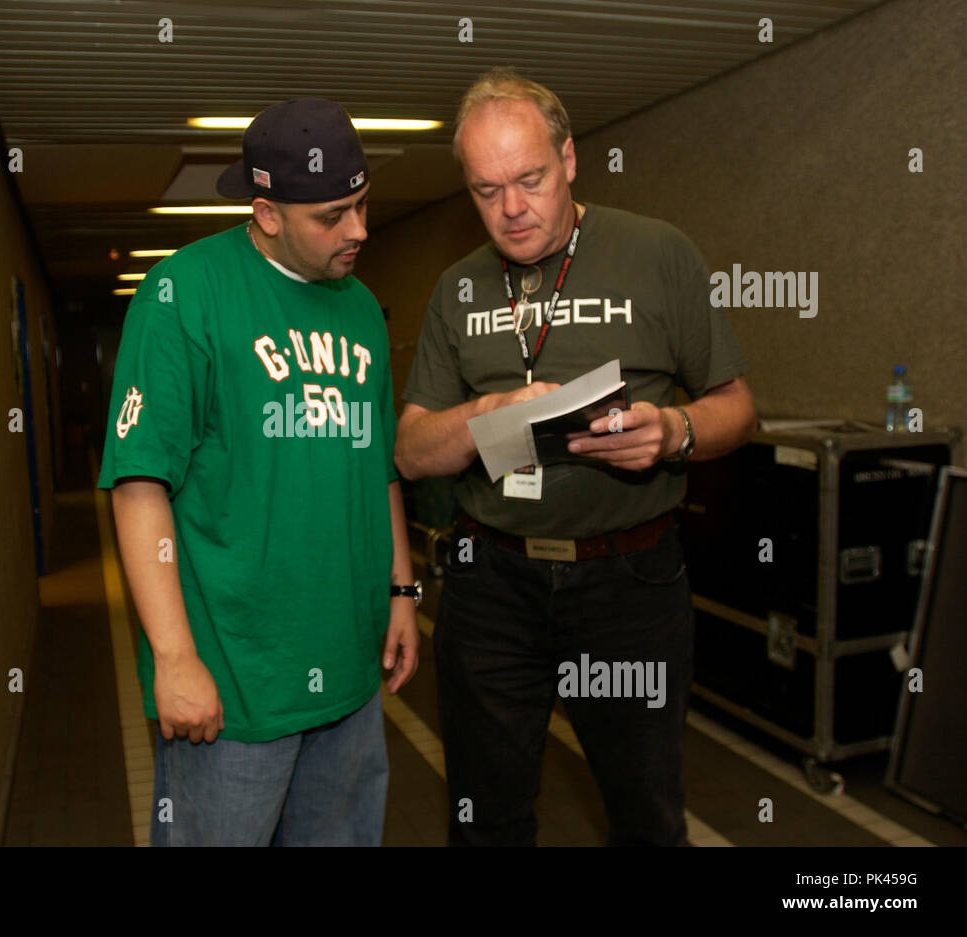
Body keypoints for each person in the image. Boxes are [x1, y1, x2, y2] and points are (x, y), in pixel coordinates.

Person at [396, 68, 757, 846]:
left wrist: (674, 430)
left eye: (528, 179)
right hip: (491, 584)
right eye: (486, 190)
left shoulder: (659, 253)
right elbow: (412, 450)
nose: (512, 209)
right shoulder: (457, 288)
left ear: (568, 159)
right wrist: (482, 414)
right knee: (486, 817)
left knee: (645, 812)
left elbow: (738, 407)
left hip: (628, 583)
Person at [99, 97, 420, 846]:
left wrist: (402, 589)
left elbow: (379, 468)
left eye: (364, 205)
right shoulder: (186, 294)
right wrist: (174, 658)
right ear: (267, 212)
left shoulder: (364, 309)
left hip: (348, 679)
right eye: (333, 216)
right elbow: (140, 482)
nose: (359, 231)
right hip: (236, 690)